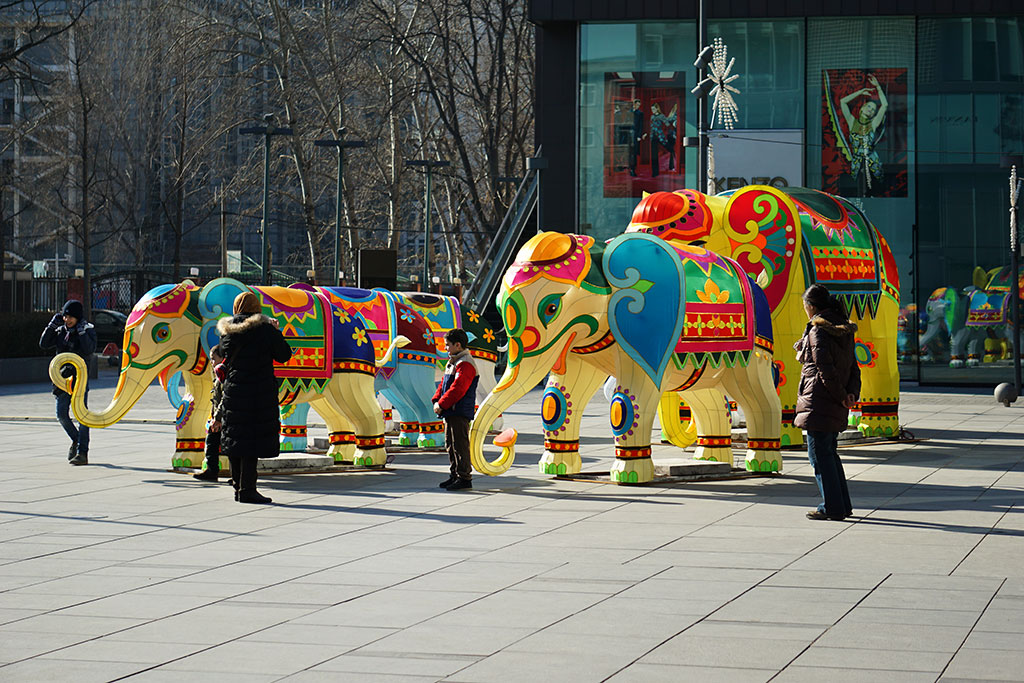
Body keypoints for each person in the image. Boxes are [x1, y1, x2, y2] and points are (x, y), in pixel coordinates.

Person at [216, 292, 292, 504]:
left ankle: (238, 486)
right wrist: (276, 331)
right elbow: (284, 354)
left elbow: (223, 353)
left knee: (236, 436)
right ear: (256, 308)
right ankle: (248, 489)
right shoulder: (265, 330)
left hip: (234, 389)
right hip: (258, 391)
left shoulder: (227, 332)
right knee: (252, 439)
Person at [793, 284, 860, 521]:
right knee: (829, 453)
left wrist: (841, 394)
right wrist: (851, 393)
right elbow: (853, 365)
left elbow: (824, 368)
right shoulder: (843, 328)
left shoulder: (817, 330)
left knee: (819, 456)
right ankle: (841, 505)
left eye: (805, 306)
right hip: (833, 400)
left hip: (820, 400)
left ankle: (831, 507)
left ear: (811, 306)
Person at [39, 299, 97, 466]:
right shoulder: (59, 331)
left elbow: (89, 350)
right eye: (66, 316)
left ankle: (82, 452)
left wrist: (81, 333)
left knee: (81, 416)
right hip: (62, 379)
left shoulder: (87, 330)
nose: (68, 319)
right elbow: (43, 344)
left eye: (72, 317)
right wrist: (51, 326)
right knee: (61, 414)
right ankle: (77, 440)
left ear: (78, 317)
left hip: (79, 379)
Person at [433, 328, 478, 491]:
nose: (445, 348)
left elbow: (458, 389)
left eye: (447, 345)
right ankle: (455, 475)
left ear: (457, 345)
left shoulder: (465, 363)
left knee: (460, 444)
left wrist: (442, 404)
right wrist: (436, 400)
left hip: (459, 410)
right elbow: (444, 385)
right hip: (450, 410)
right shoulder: (454, 361)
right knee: (450, 444)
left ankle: (464, 477)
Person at [839, 73, 888, 193]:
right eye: (868, 107)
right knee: (855, 189)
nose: (870, 110)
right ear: (862, 108)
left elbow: (885, 105)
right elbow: (843, 102)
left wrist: (878, 87)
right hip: (856, 164)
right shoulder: (852, 122)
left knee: (875, 189)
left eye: (873, 110)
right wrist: (860, 92)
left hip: (872, 163)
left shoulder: (873, 124)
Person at [193, 344, 226, 483]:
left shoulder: (224, 374)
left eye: (213, 359)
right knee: (212, 441)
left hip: (225, 418)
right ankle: (212, 470)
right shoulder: (219, 374)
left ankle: (237, 475)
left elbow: (225, 398)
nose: (211, 362)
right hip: (219, 417)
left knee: (226, 445)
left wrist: (217, 418)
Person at [650, 101, 678, 176]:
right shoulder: (652, 117)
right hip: (653, 137)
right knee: (654, 155)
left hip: (660, 136)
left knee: (670, 149)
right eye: (651, 109)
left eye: (653, 109)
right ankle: (655, 172)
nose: (652, 110)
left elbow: (667, 123)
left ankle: (673, 164)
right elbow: (651, 127)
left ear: (657, 109)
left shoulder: (661, 116)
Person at [628, 98, 647, 177]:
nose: (638, 106)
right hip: (629, 134)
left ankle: (633, 169)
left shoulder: (640, 113)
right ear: (634, 104)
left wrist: (639, 135)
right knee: (629, 152)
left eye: (639, 105)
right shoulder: (629, 112)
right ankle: (629, 168)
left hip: (635, 134)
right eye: (637, 104)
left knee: (634, 152)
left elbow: (641, 125)